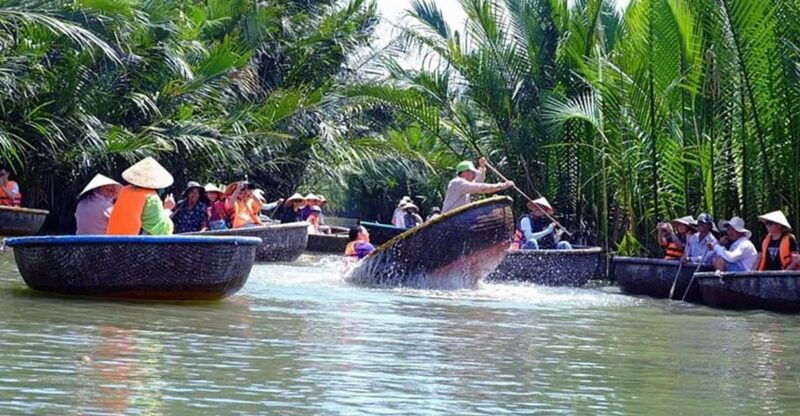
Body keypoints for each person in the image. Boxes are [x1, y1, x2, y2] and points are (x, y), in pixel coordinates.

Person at [107, 157, 176, 235]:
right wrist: (167, 209)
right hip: (138, 244)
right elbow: (161, 229)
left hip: (114, 241)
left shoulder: (125, 191)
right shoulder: (152, 198)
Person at [441, 157, 513, 213]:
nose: (474, 175)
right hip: (450, 219)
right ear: (465, 172)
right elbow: (482, 188)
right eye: (473, 172)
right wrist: (503, 185)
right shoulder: (457, 183)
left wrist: (482, 167)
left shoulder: (464, 184)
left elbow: (478, 182)